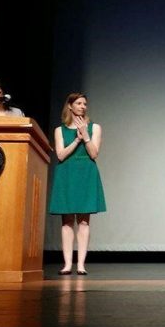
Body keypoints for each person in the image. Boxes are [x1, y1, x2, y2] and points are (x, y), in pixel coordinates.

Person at [47, 92, 106, 275]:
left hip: (86, 172)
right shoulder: (60, 130)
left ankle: (80, 264)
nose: (83, 106)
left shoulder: (94, 127)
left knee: (83, 221)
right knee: (66, 221)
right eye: (79, 103)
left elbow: (94, 153)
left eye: (85, 104)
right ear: (70, 106)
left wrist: (85, 136)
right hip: (67, 173)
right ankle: (67, 264)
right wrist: (77, 139)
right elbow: (61, 155)